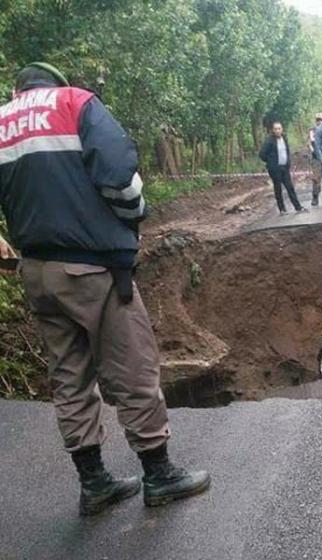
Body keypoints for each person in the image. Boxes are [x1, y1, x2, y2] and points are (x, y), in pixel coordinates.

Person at [0, 63, 210, 516]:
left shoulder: (3, 122)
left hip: (35, 271)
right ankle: (158, 474)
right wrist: (133, 218)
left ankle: (94, 483)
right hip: (92, 268)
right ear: (54, 83)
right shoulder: (76, 102)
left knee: (68, 376)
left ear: (19, 90)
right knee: (132, 367)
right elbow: (118, 176)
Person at [259, 121, 307, 214]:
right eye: (276, 129)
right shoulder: (269, 140)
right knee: (278, 188)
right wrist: (270, 162)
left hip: (284, 167)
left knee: (290, 187)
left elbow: (286, 151)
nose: (278, 131)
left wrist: (288, 162)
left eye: (279, 128)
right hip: (275, 169)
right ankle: (282, 209)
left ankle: (298, 207)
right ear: (273, 130)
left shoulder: (284, 138)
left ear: (282, 129)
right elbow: (262, 154)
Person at [307, 112, 322, 206]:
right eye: (317, 120)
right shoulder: (312, 130)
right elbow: (309, 143)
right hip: (316, 158)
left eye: (321, 119)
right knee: (316, 179)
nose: (319, 121)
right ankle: (315, 197)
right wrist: (313, 151)